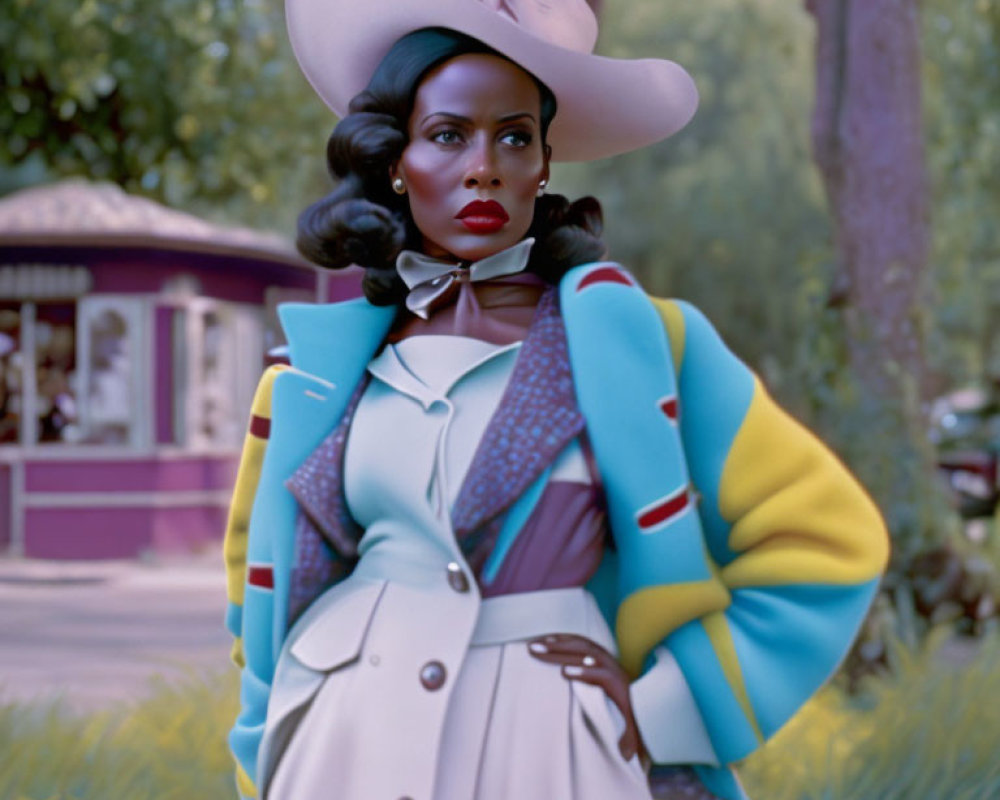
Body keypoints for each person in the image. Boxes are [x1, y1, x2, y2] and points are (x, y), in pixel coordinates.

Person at [223, 2, 890, 799]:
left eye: (514, 136)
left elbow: (829, 540)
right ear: (396, 160)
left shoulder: (645, 349)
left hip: (550, 748)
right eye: (446, 135)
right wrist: (275, 726)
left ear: (545, 164)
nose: (484, 167)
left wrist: (669, 710)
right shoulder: (311, 378)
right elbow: (254, 585)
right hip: (341, 744)